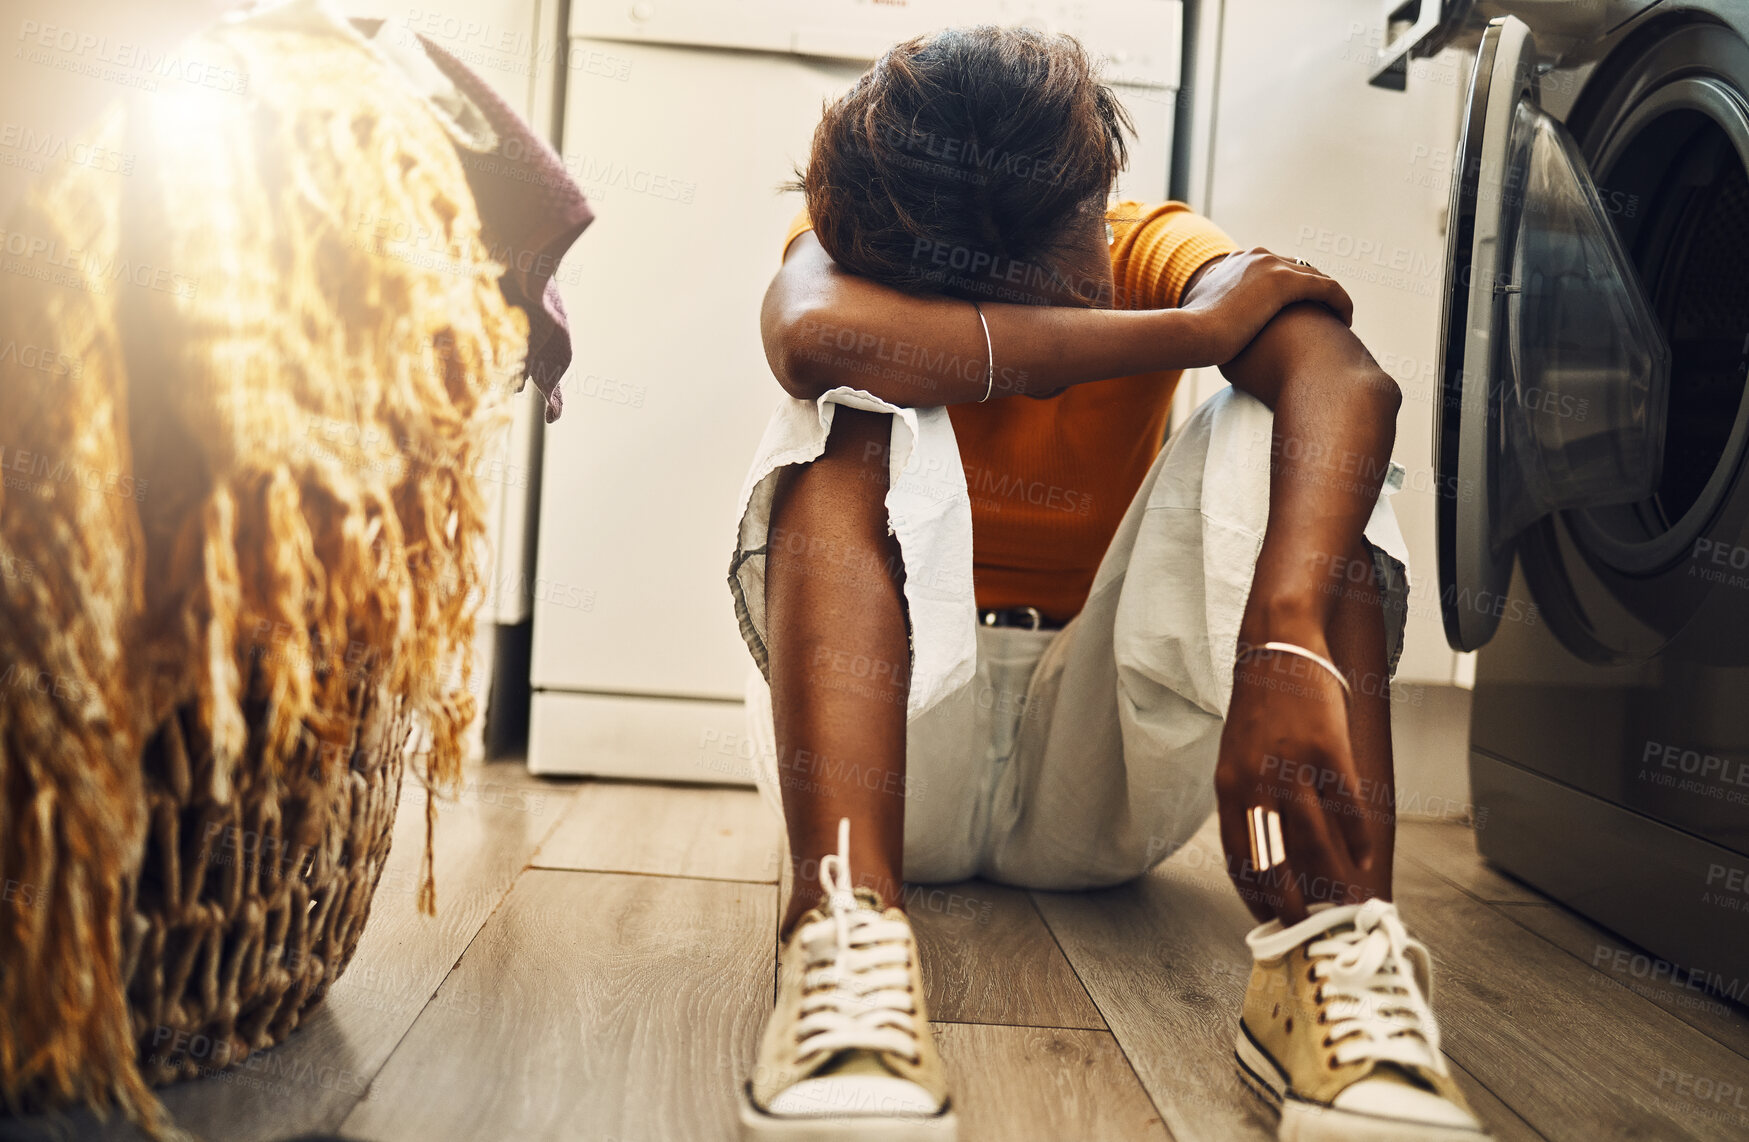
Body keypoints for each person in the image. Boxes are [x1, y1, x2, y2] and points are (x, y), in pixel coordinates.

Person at [728, 25, 1488, 1142]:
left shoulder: (1147, 242)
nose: (1102, 242)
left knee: (1295, 422)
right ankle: (840, 923)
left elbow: (1346, 378)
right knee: (843, 402)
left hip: (1101, 752)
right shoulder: (858, 253)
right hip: (888, 737)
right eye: (1083, 221)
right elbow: (807, 334)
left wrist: (1283, 629)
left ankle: (1329, 948)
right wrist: (1183, 335)